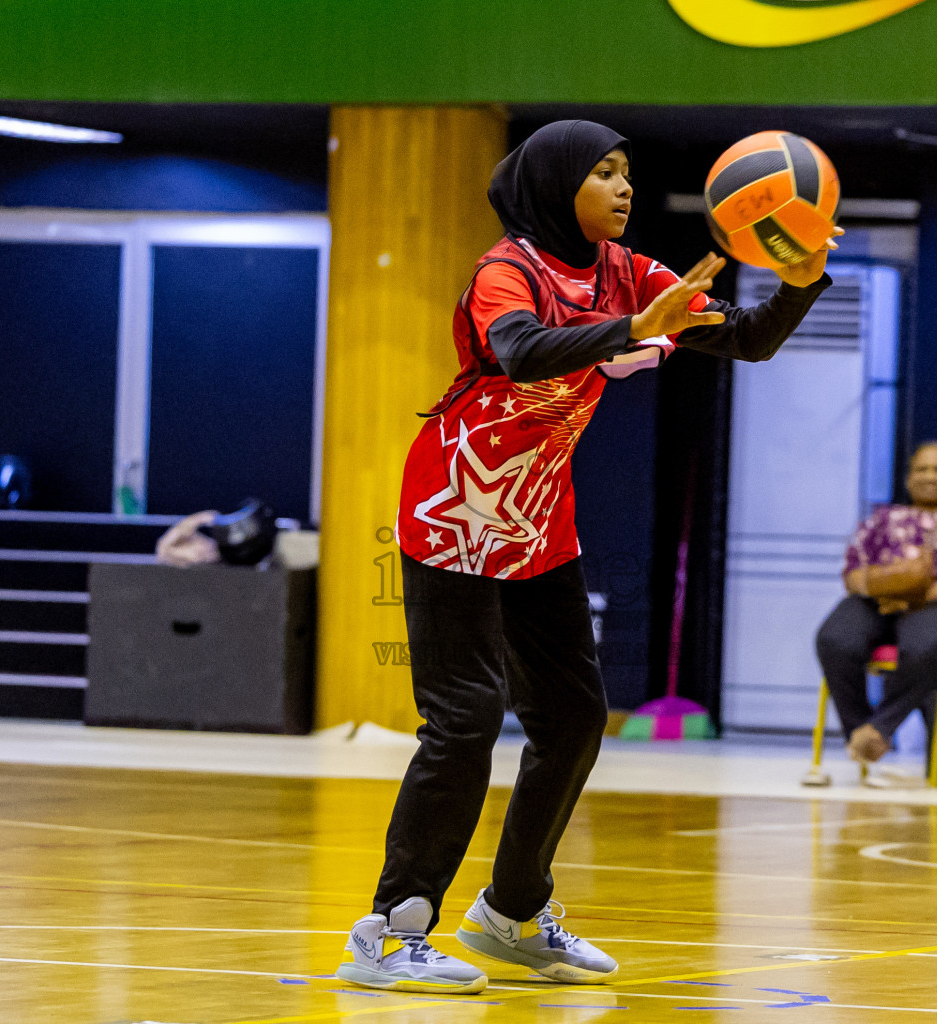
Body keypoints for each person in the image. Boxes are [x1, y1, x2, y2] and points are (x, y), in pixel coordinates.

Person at [337, 121, 835, 994]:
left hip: (537, 523)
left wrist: (800, 281)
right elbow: (518, 349)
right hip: (455, 506)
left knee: (572, 719)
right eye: (603, 172)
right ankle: (391, 928)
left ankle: (512, 915)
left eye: (628, 172)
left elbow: (747, 337)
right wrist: (627, 329)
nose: (623, 186)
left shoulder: (630, 272)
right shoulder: (509, 269)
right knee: (466, 718)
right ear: (557, 183)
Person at [815, 441, 937, 785]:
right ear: (908, 478)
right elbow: (853, 570)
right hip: (879, 603)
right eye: (922, 469)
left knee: (928, 645)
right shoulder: (882, 519)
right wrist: (881, 589)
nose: (930, 476)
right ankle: (860, 732)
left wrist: (915, 598)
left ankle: (879, 728)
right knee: (836, 638)